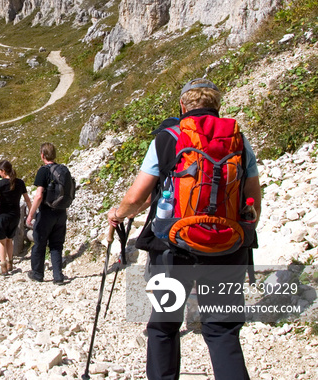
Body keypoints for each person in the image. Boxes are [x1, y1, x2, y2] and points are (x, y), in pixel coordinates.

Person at [107, 78, 262, 380]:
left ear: (182, 106)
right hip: (227, 248)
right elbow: (253, 199)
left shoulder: (167, 139)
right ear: (218, 106)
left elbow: (137, 198)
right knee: (222, 331)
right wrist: (240, 236)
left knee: (164, 328)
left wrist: (117, 213)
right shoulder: (238, 140)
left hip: (174, 249)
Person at [26, 142, 69, 284]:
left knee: (40, 242)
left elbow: (38, 195)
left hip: (46, 212)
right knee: (57, 244)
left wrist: (31, 214)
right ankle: (58, 276)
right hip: (61, 212)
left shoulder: (43, 171)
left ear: (42, 155)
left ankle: (38, 273)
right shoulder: (63, 169)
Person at [0, 160, 31, 275]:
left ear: (3, 171)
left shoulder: (0, 184)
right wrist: (31, 212)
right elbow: (27, 199)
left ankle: (3, 267)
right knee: (9, 239)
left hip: (2, 215)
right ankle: (10, 262)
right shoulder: (20, 182)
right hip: (15, 215)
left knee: (1, 241)